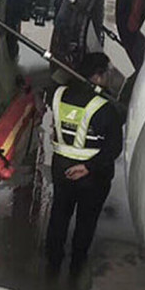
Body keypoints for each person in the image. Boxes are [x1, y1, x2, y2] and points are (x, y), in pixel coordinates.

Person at [45, 52, 123, 277]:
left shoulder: (57, 95)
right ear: (97, 77)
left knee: (59, 216)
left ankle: (53, 263)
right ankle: (76, 265)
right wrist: (89, 167)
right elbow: (113, 148)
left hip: (62, 170)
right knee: (85, 222)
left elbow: (44, 96)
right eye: (106, 73)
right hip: (93, 176)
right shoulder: (106, 108)